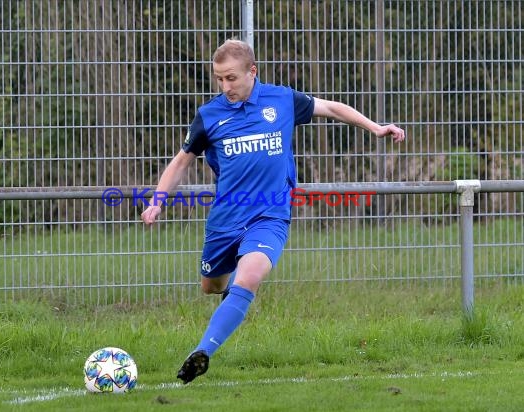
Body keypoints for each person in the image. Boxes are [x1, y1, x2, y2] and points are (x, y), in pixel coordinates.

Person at [141, 39, 405, 384]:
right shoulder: (209, 116)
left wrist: (375, 127)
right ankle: (227, 291)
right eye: (219, 79)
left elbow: (333, 108)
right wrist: (157, 201)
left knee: (249, 277)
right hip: (226, 217)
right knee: (211, 286)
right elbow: (180, 162)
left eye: (231, 78)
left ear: (252, 71)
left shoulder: (282, 100)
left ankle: (202, 351)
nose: (225, 87)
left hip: (270, 214)